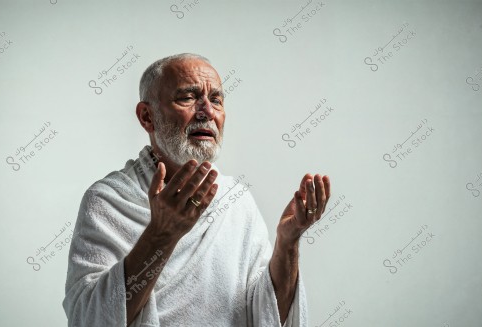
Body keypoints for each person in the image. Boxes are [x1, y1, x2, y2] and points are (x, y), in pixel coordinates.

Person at [62, 53, 331, 327]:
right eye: (188, 98)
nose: (207, 112)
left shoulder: (236, 200)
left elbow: (267, 314)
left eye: (216, 100)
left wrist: (287, 242)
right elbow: (89, 318)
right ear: (147, 116)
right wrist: (160, 235)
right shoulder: (108, 200)